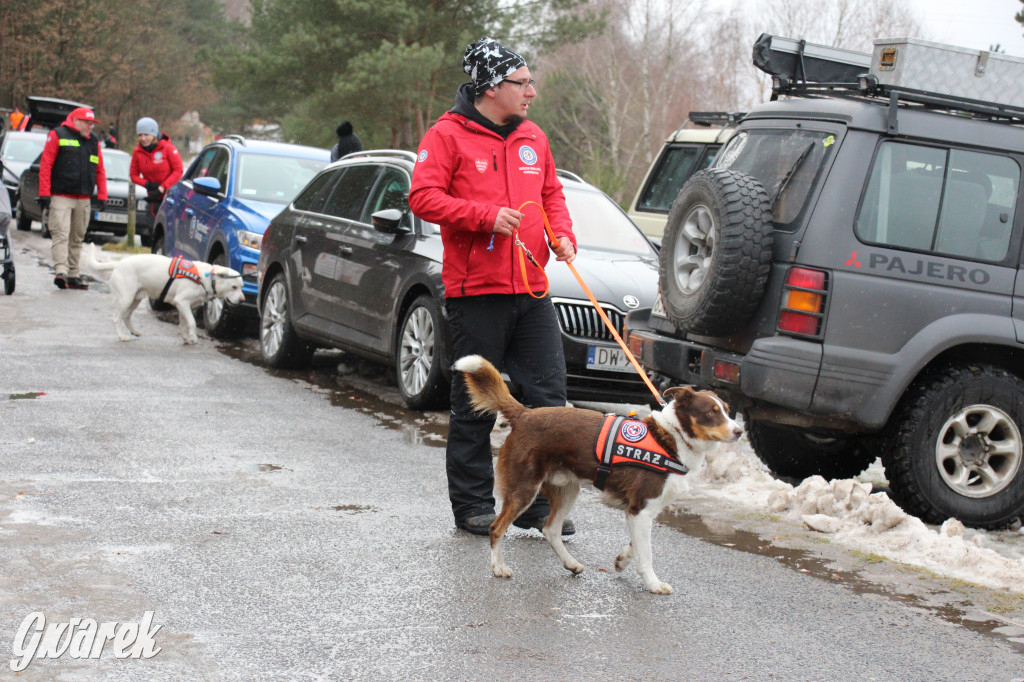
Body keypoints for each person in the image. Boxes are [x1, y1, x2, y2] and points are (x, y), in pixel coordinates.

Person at [409, 37, 578, 536]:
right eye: (522, 83)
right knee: (477, 404)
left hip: (532, 289)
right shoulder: (447, 135)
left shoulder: (534, 138)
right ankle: (473, 508)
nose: (532, 92)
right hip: (476, 292)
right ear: (490, 87)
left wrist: (562, 234)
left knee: (547, 401)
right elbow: (423, 197)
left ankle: (541, 506)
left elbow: (551, 195)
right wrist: (484, 217)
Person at [38, 106, 107, 290]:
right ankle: (61, 271)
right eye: (87, 122)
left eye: (92, 123)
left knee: (77, 236)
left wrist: (102, 194)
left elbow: (99, 168)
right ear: (75, 121)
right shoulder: (58, 134)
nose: (90, 127)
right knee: (61, 234)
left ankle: (74, 274)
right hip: (61, 195)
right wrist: (44, 193)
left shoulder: (93, 141)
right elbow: (46, 165)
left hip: (83, 197)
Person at [130, 117, 183, 221]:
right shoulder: (137, 151)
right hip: (153, 198)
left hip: (170, 196)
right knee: (151, 229)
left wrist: (162, 188)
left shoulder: (168, 148)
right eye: (140, 135)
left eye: (146, 135)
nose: (143, 138)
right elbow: (133, 176)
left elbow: (178, 170)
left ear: (154, 135)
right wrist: (147, 184)